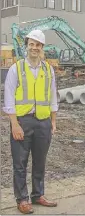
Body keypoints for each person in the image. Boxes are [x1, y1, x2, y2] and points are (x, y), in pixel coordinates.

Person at [2, 29, 58, 214]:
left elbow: (52, 99)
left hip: (43, 122)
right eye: (32, 44)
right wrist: (14, 124)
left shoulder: (48, 69)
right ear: (27, 46)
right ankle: (22, 199)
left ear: (42, 48)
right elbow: (8, 98)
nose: (34, 48)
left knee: (40, 161)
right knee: (20, 163)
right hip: (23, 121)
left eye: (38, 45)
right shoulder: (16, 69)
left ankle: (38, 194)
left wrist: (53, 121)